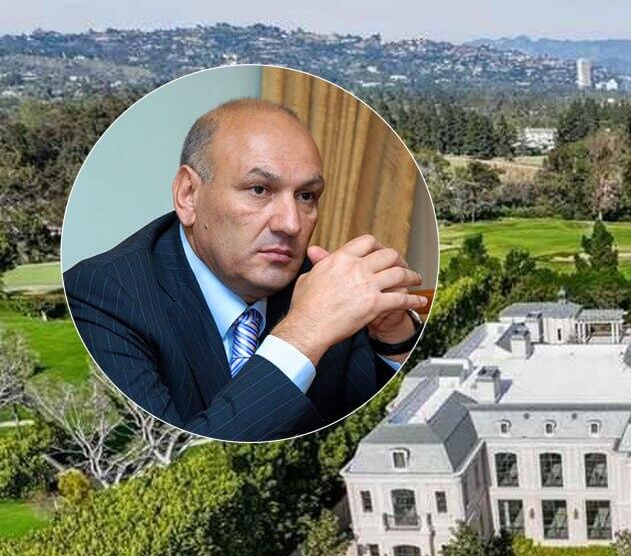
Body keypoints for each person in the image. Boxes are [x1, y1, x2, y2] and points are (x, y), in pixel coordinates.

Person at [63, 98, 431, 442]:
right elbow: (169, 459)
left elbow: (373, 425)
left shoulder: (320, 283)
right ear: (188, 195)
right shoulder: (102, 295)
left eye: (306, 196)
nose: (291, 223)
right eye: (259, 190)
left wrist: (393, 340)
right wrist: (302, 334)